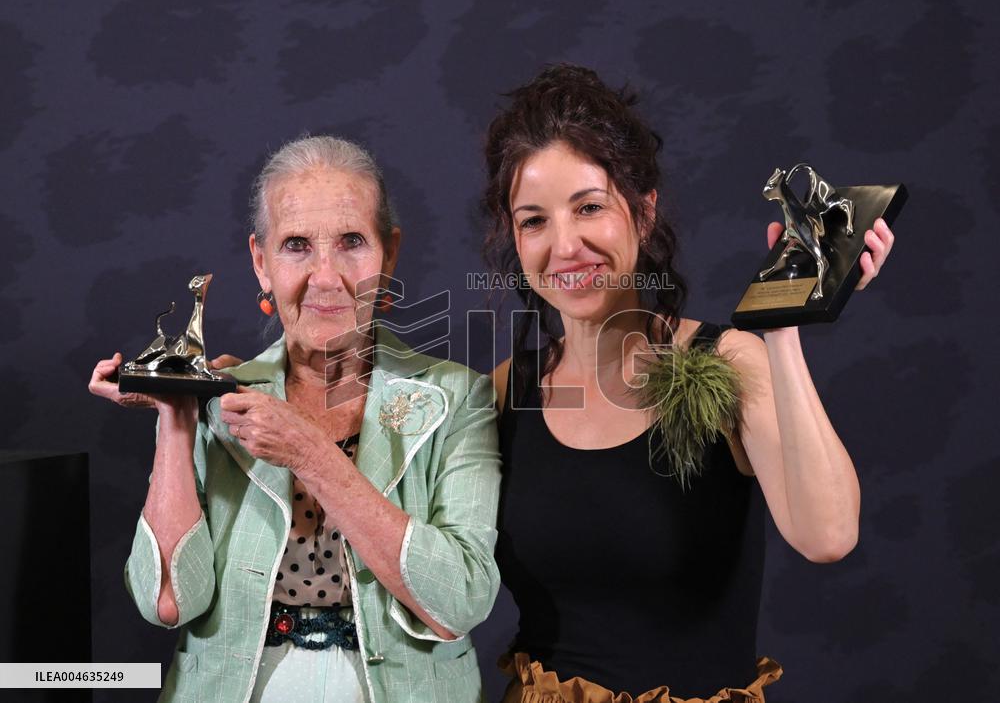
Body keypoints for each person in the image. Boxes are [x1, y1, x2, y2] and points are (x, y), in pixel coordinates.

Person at [483, 64, 895, 703]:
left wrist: (780, 326)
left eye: (589, 206)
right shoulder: (509, 389)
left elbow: (827, 536)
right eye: (533, 220)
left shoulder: (727, 360)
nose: (564, 245)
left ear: (643, 214)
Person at [89, 135, 502, 703]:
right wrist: (175, 414)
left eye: (352, 242)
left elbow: (459, 601)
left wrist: (311, 452)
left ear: (390, 254)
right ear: (261, 262)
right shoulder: (222, 397)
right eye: (297, 246)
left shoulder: (458, 397)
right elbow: (168, 603)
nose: (325, 276)